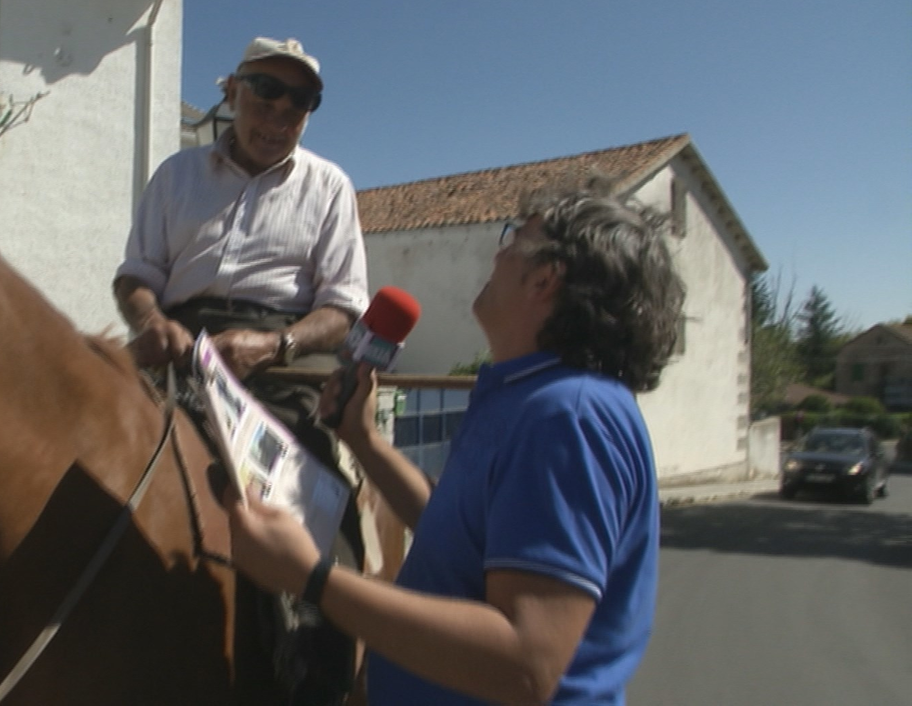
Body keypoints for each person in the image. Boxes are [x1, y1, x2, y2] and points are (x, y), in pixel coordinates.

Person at [227, 176, 687, 705]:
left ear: (545, 279)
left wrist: (311, 578)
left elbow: (526, 663)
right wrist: (364, 440)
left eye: (514, 238)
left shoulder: (568, 418)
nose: (498, 254)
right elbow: (458, 534)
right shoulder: (527, 396)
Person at [112, 36, 369, 704]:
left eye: (299, 102)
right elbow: (135, 277)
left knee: (316, 516)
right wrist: (150, 320)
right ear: (231, 91)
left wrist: (273, 345)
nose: (280, 113)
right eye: (265, 92)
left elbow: (343, 309)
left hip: (279, 368)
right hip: (175, 351)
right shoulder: (176, 175)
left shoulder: (328, 187)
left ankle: (316, 679)